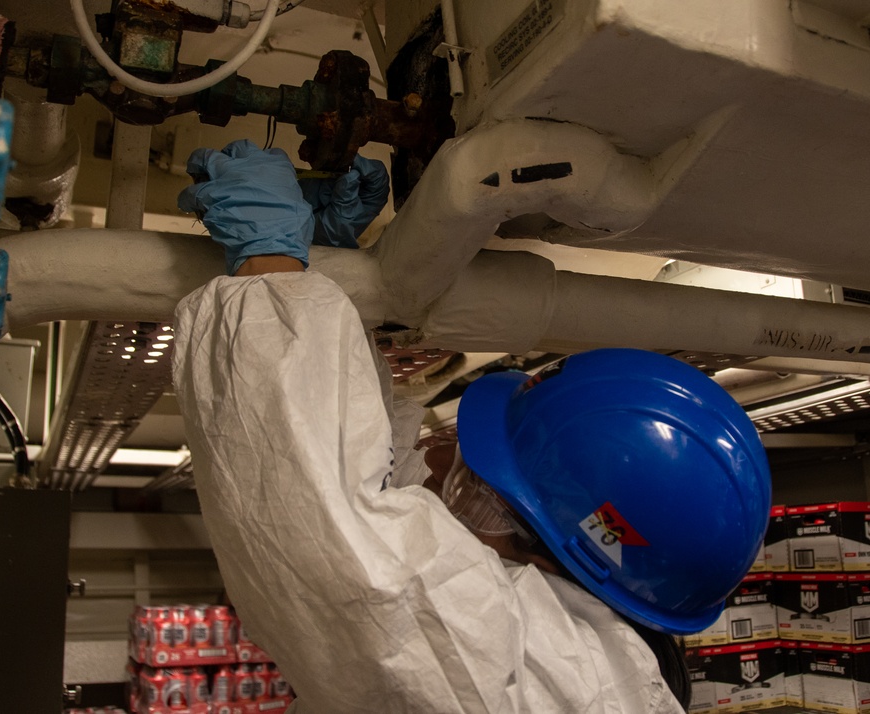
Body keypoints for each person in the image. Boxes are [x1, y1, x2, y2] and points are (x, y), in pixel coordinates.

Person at [172, 140, 772, 713]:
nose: (439, 465)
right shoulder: (595, 645)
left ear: (566, 552)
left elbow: (340, 546)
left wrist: (272, 272)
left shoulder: (551, 677)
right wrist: (322, 276)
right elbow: (384, 487)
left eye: (476, 484)